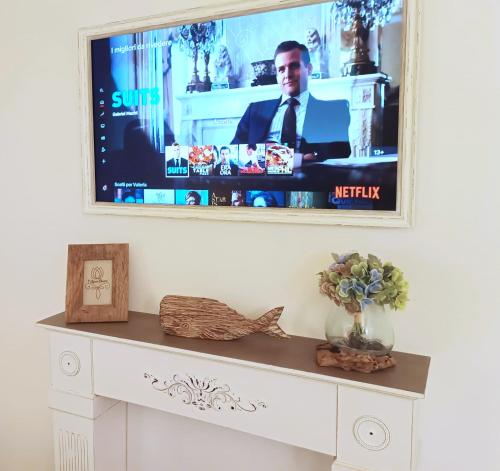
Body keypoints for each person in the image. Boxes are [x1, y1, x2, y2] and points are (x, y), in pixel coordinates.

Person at [231, 41, 351, 162]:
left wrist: (309, 158)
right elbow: (233, 152)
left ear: (309, 69)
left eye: (294, 66)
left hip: (308, 178)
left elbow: (341, 151)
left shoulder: (333, 111)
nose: (287, 74)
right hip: (261, 179)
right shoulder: (254, 111)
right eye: (281, 70)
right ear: (277, 75)